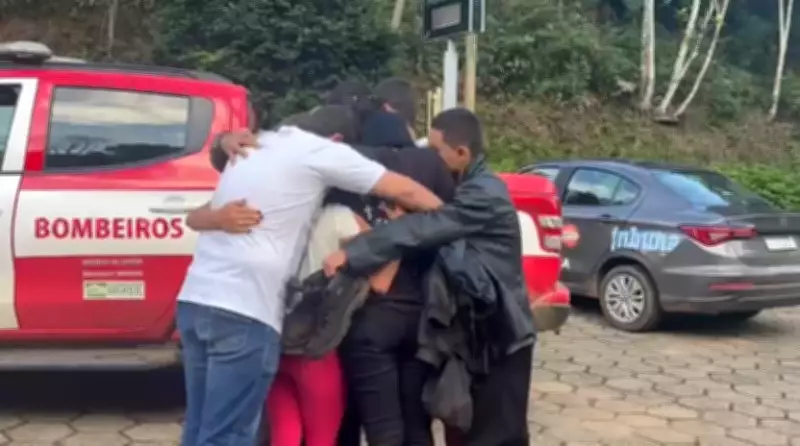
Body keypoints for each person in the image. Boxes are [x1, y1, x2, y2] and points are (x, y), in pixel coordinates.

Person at [176, 105, 444, 446]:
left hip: (195, 302)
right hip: (245, 311)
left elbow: (196, 215)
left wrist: (217, 212)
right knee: (228, 434)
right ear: (338, 140)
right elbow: (404, 190)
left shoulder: (256, 147)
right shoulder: (318, 151)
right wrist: (454, 217)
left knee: (200, 426)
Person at [323, 108, 537, 446]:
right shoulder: (468, 186)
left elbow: (428, 227)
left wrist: (354, 252)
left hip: (501, 334)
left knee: (498, 435)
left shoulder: (484, 194)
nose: (429, 159)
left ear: (462, 153)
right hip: (481, 332)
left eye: (436, 151)